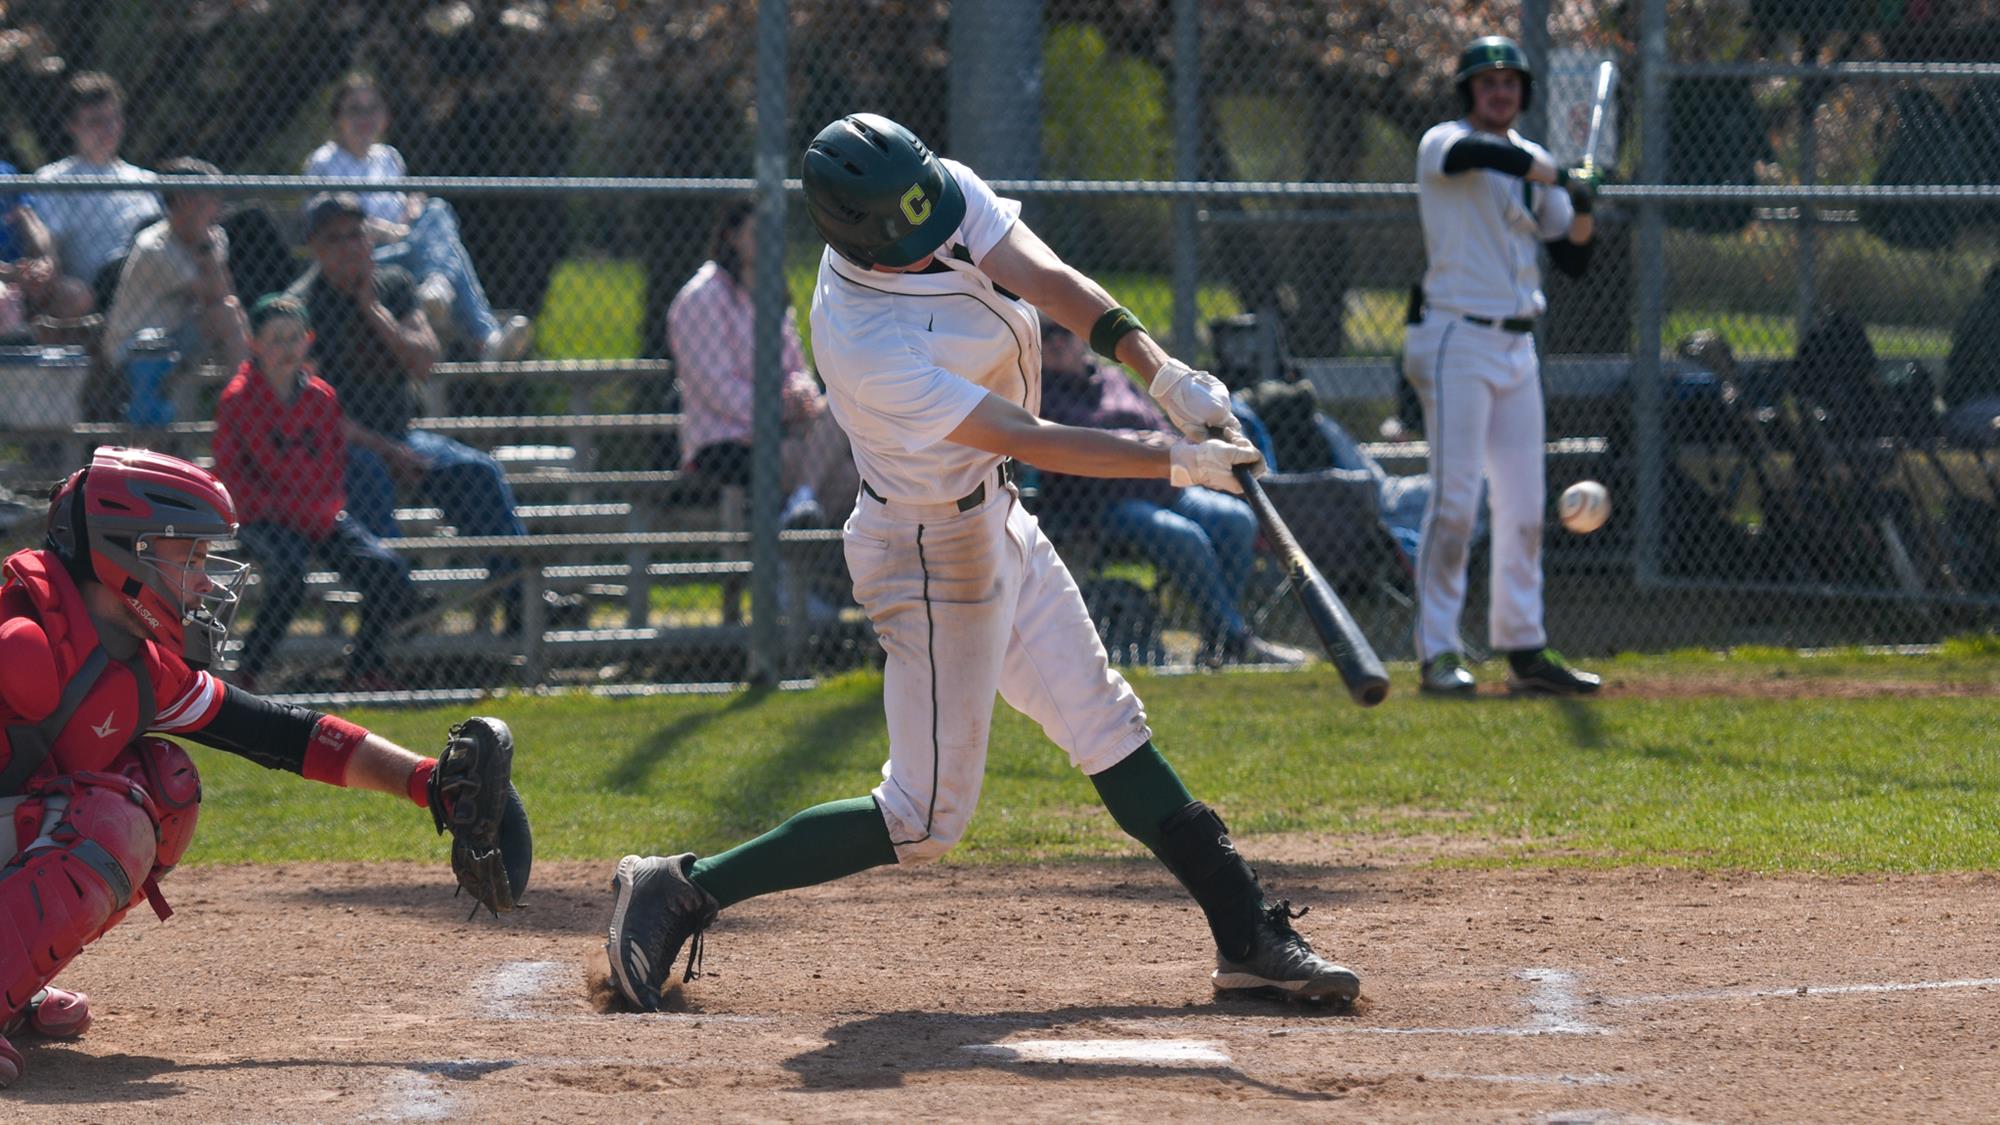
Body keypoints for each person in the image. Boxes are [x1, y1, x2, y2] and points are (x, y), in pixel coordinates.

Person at [604, 113, 1359, 1014]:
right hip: (927, 554)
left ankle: (1247, 934)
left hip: (995, 515)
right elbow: (1027, 435)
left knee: (1107, 723)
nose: (936, 238)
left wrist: (1160, 372)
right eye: (911, 237)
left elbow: (1048, 280)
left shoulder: (928, 194)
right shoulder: (860, 340)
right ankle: (682, 887)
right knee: (923, 817)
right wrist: (1178, 461)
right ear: (860, 238)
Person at [0, 446, 529, 1089]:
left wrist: (427, 783)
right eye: (189, 557)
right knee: (108, 819)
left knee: (165, 788)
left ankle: (12, 987)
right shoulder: (20, 636)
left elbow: (281, 734)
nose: (204, 581)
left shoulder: (136, 664)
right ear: (123, 553)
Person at [1404, 36, 1602, 698]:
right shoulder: (1445, 141)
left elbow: (1573, 257)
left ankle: (1524, 644)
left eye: (1510, 83)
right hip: (1456, 337)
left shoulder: (1534, 162)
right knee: (1456, 501)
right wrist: (1559, 175)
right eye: (1487, 82)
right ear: (1468, 91)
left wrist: (1585, 203)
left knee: (1524, 505)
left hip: (1517, 346)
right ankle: (1438, 650)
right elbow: (1482, 156)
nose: (1499, 92)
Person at [287, 193, 531, 631]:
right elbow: (314, 413)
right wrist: (386, 450)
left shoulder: (394, 285)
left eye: (356, 235)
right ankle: (398, 604)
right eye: (335, 239)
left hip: (400, 435)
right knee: (369, 472)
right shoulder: (302, 306)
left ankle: (521, 600)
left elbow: (424, 360)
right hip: (335, 445)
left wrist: (373, 310)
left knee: (477, 471)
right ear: (315, 249)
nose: (350, 246)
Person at [1038, 320, 1307, 667]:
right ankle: (1234, 637)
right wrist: (1139, 444)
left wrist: (1172, 445)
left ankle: (1219, 637)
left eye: (1063, 331)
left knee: (1237, 520)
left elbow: (1159, 422)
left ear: (1081, 338)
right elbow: (1071, 444)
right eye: (1045, 335)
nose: (1056, 342)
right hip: (1105, 501)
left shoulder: (1114, 379)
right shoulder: (1042, 390)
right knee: (1186, 538)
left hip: (1166, 486)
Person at [213, 294, 420, 693]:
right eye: (275, 340)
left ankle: (362, 670)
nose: (286, 349)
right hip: (262, 518)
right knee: (289, 575)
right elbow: (234, 482)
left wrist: (314, 513)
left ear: (308, 341)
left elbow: (330, 471)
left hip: (316, 516)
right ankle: (248, 673)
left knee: (387, 572)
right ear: (254, 344)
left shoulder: (321, 397)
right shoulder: (238, 399)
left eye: (294, 338)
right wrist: (290, 510)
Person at [303, 74, 531, 362]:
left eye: (372, 108)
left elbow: (402, 213)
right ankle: (484, 337)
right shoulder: (324, 161)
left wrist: (411, 209)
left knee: (435, 208)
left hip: (406, 250)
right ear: (338, 118)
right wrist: (392, 231)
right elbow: (330, 224)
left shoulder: (388, 158)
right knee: (449, 253)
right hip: (362, 259)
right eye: (354, 109)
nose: (365, 117)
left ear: (385, 117)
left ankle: (441, 289)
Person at [669, 198, 857, 530]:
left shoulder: (769, 293)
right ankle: (796, 523)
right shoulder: (702, 296)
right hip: (726, 440)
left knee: (845, 416)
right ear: (731, 236)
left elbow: (797, 369)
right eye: (758, 232)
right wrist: (779, 409)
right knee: (842, 476)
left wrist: (801, 394)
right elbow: (718, 389)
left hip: (781, 431)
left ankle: (800, 512)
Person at [100, 157, 250, 375]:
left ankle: (246, 383)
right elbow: (214, 293)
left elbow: (225, 295)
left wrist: (205, 242)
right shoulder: (155, 247)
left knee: (230, 309)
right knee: (225, 314)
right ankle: (246, 386)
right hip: (132, 347)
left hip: (176, 333)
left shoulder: (215, 236)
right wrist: (204, 245)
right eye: (210, 197)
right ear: (183, 201)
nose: (218, 205)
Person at [31, 72, 163, 310]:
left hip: (152, 283)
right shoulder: (52, 180)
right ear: (72, 126)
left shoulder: (146, 180)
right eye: (96, 122)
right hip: (96, 292)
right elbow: (48, 248)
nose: (109, 129)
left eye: (114, 118)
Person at [0, 159, 93, 324]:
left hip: (23, 274)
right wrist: (9, 274)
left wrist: (46, 259)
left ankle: (44, 337)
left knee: (76, 295)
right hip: (6, 278)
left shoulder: (5, 171)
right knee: (3, 299)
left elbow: (30, 218)